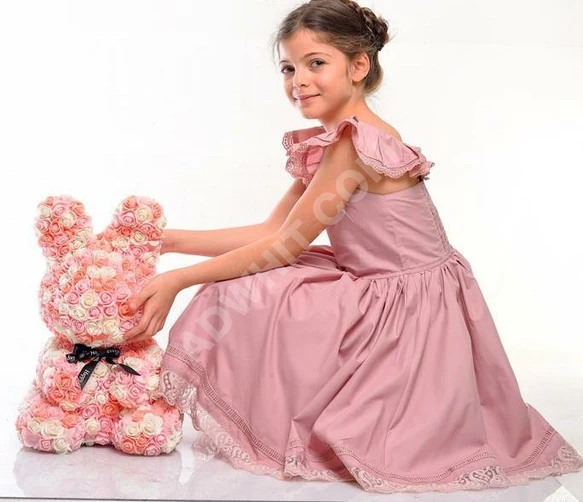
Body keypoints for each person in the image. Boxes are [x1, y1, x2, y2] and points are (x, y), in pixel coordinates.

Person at [122, 0, 583, 494]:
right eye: (289, 68)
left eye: (316, 63)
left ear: (358, 66)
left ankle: (292, 406)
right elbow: (273, 229)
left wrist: (178, 280)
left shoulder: (353, 146)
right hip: (394, 287)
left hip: (406, 308)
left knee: (239, 290)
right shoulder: (339, 141)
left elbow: (283, 246)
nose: (299, 80)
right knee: (249, 279)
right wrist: (168, 242)